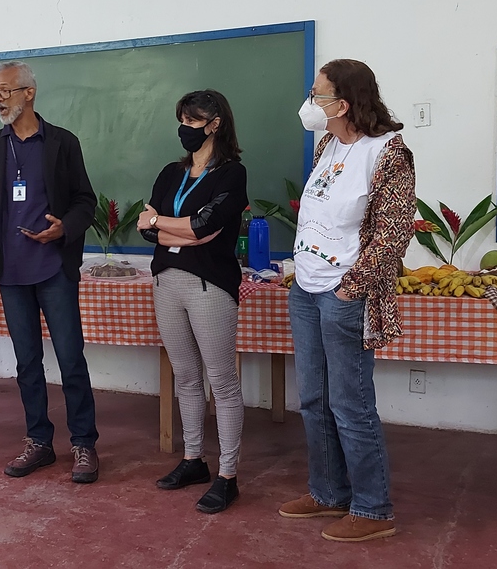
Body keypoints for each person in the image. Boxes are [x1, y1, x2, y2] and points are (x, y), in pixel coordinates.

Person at [280, 59, 415, 542]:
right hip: (307, 289)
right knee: (313, 400)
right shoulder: (328, 144)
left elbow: (392, 234)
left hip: (344, 294)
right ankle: (328, 494)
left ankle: (374, 509)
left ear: (343, 103)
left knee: (350, 404)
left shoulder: (388, 152)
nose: (310, 103)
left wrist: (350, 288)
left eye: (317, 95)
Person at [0, 61, 101, 484]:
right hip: (11, 273)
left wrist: (64, 227)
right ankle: (39, 441)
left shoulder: (62, 142)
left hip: (54, 269)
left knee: (71, 358)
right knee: (27, 363)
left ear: (29, 93)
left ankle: (84, 443)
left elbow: (85, 201)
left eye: (6, 91)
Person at [138, 90, 248, 514]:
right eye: (181, 120)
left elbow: (206, 226)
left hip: (209, 285)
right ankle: (193, 460)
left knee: (221, 381)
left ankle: (228, 476)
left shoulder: (231, 174)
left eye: (192, 120)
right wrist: (177, 228)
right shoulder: (171, 172)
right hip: (166, 281)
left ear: (214, 124)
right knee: (185, 376)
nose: (184, 128)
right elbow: (145, 227)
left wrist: (165, 223)